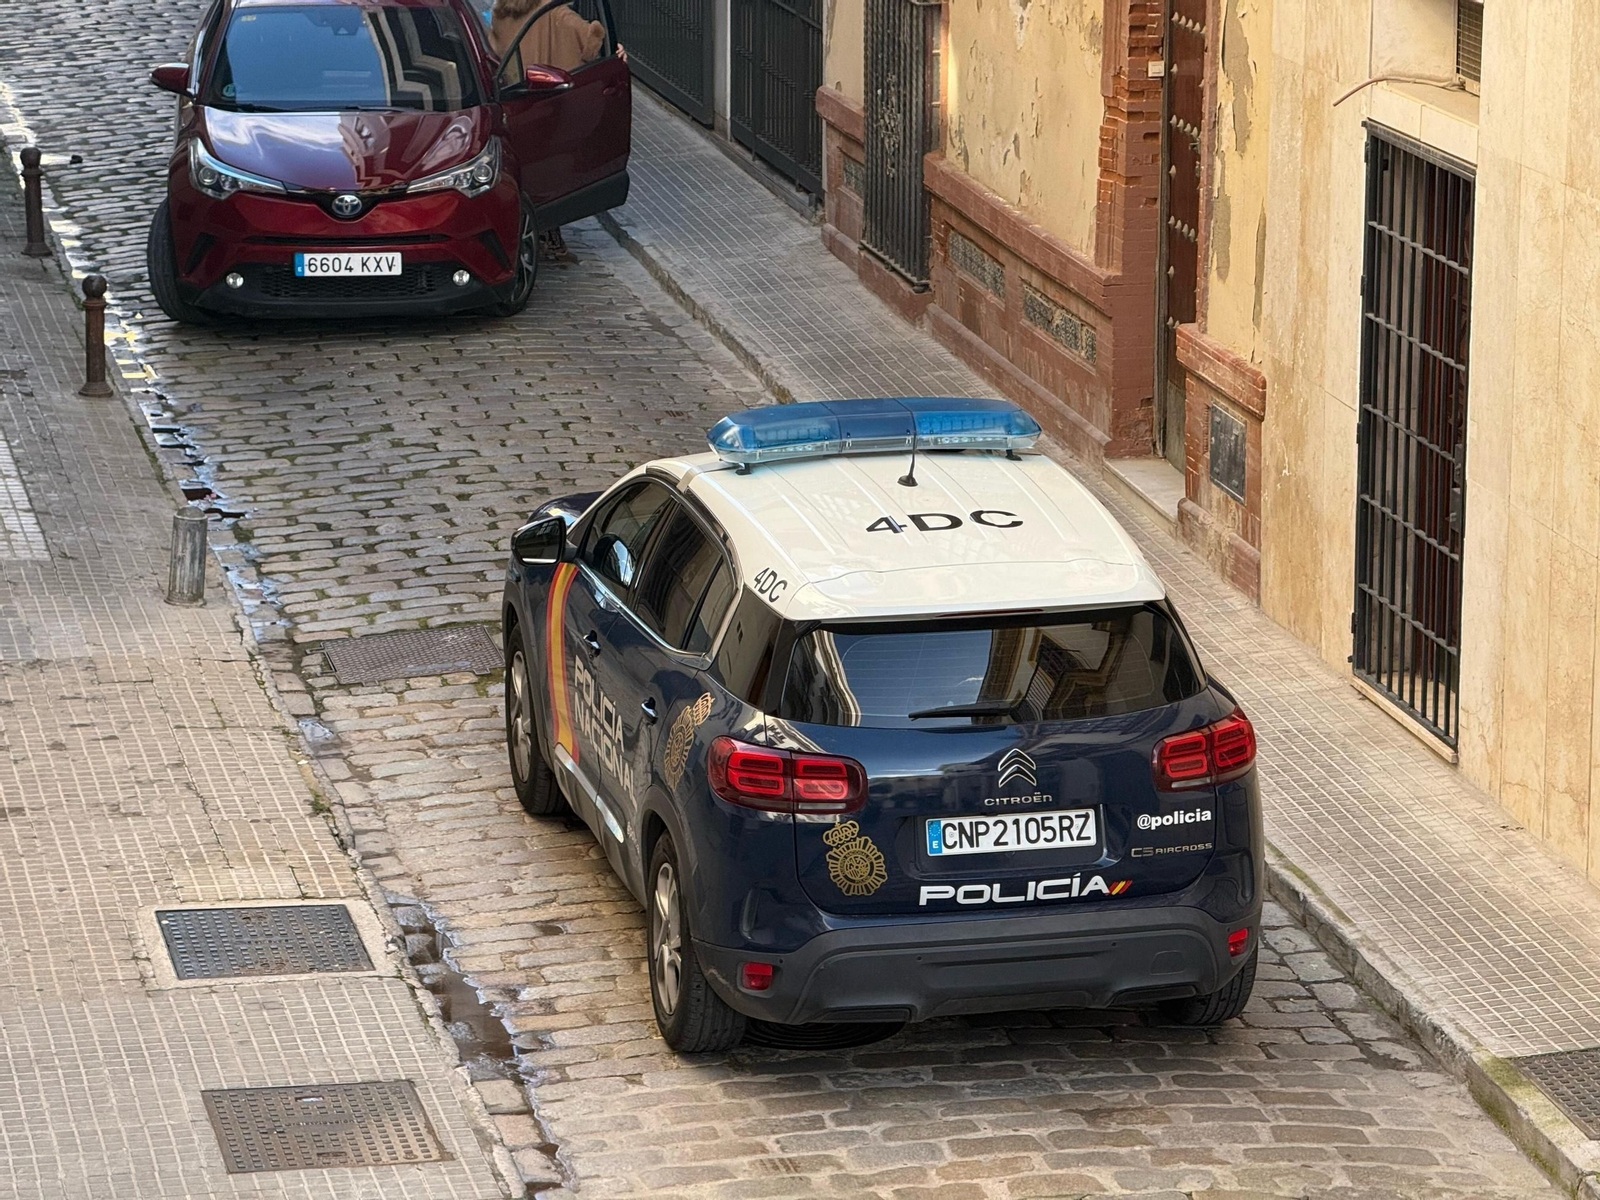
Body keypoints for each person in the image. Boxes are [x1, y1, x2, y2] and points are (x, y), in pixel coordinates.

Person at [488, 1, 627, 260]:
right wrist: (609, 46)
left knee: (520, 168)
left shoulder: (500, 13)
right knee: (550, 168)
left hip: (511, 101)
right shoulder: (554, 11)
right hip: (545, 101)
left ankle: (530, 233)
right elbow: (589, 39)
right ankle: (550, 235)